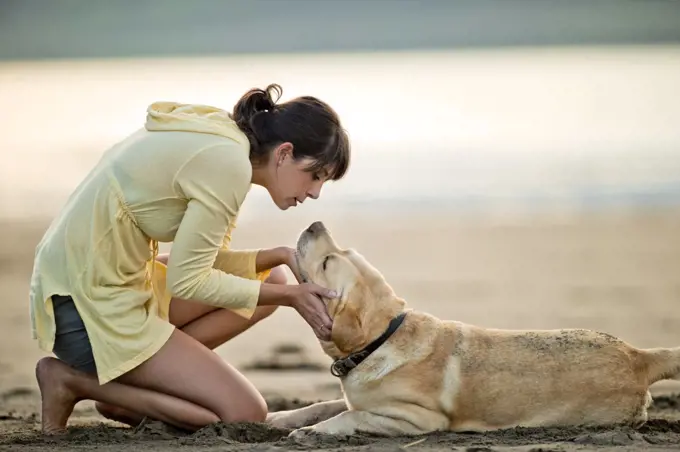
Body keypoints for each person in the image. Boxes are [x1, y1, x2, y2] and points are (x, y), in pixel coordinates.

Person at [28, 83, 351, 435]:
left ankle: (135, 389)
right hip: (86, 312)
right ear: (285, 153)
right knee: (244, 413)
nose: (315, 192)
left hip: (97, 282)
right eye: (315, 175)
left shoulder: (225, 140)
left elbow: (197, 262)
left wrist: (280, 255)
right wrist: (290, 299)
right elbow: (188, 280)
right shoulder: (227, 165)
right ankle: (75, 381)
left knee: (271, 276)